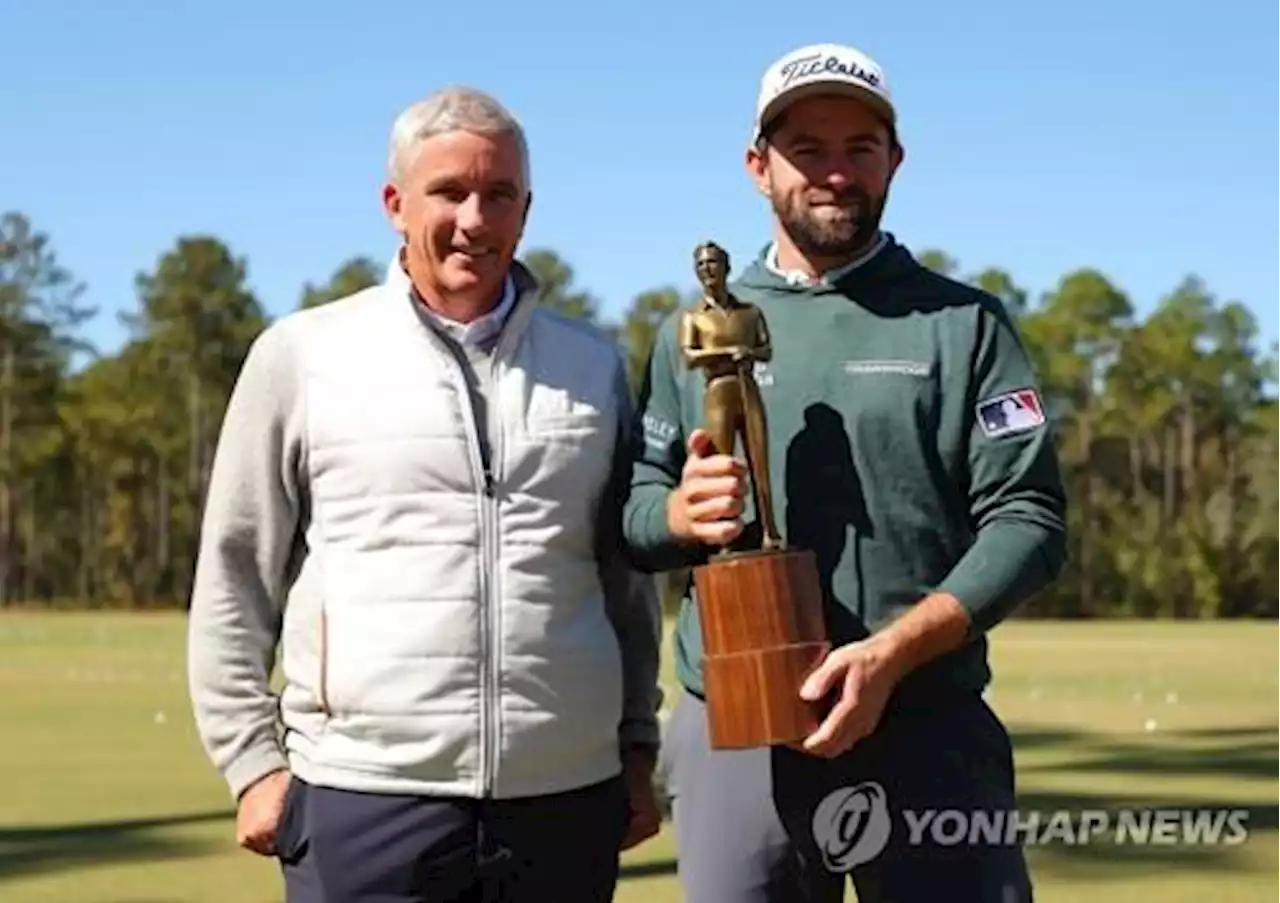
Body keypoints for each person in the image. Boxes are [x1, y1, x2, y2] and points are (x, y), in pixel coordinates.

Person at [186, 84, 663, 903]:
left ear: (527, 208)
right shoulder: (304, 355)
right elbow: (235, 573)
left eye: (499, 194)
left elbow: (625, 584)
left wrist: (636, 747)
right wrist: (253, 764)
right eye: (449, 191)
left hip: (564, 799)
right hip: (362, 797)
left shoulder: (594, 367)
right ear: (395, 203)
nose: (475, 219)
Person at [623, 42, 1068, 903]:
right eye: (807, 150)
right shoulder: (692, 335)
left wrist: (893, 652)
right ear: (759, 167)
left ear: (894, 160)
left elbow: (1029, 519)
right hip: (738, 733)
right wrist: (679, 515)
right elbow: (635, 510)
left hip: (926, 724)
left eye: (859, 148)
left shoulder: (963, 324)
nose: (835, 173)